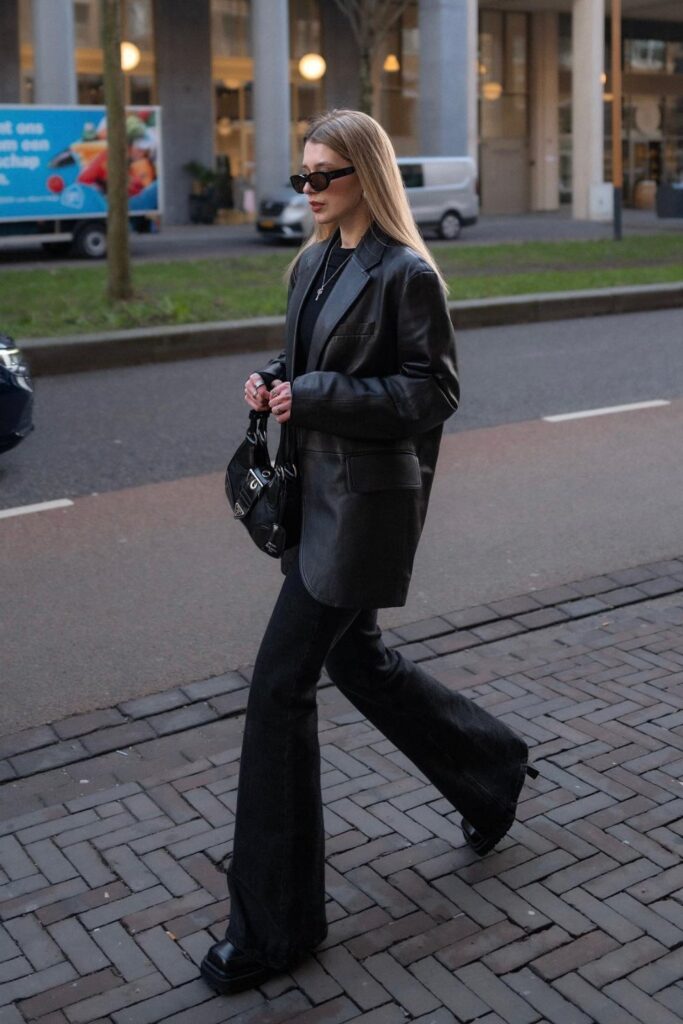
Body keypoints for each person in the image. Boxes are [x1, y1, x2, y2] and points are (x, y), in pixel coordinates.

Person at [200, 109, 537, 995]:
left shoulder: (406, 273)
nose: (307, 192)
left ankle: (276, 927)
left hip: (366, 512)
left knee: (279, 688)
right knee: (359, 660)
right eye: (302, 175)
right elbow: (313, 355)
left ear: (366, 176)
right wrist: (277, 378)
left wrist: (309, 393)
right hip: (315, 502)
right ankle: (490, 769)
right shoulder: (311, 263)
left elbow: (432, 391)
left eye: (324, 176)